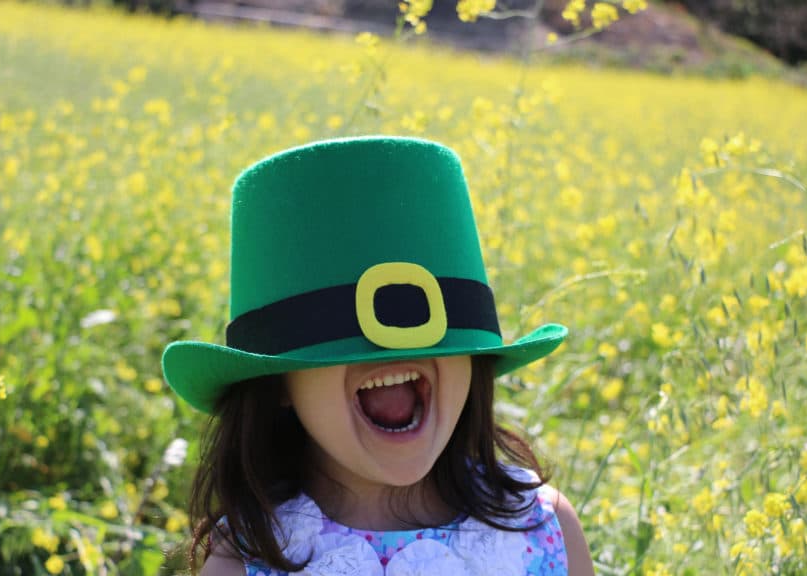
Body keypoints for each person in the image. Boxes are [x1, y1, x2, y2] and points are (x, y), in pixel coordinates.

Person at [162, 136, 595, 575]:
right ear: (278, 384)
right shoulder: (248, 558)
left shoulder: (544, 529)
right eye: (342, 344)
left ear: (472, 363)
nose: (392, 352)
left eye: (431, 342)